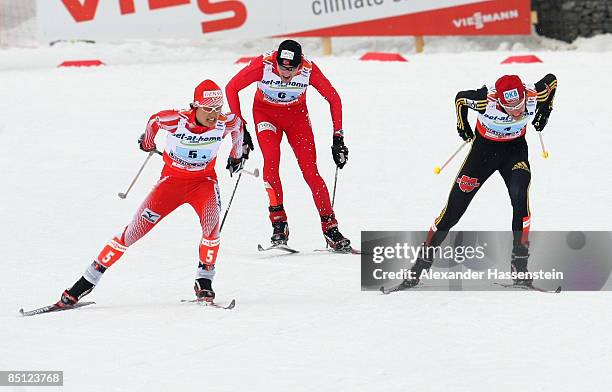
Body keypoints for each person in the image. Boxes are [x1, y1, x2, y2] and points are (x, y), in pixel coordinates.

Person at [55, 79, 250, 307]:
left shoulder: (224, 122)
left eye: (218, 109)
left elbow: (238, 126)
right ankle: (85, 282)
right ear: (195, 106)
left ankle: (204, 281)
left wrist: (237, 154)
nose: (214, 115)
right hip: (171, 185)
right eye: (208, 109)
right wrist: (147, 142)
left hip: (203, 184)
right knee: (131, 234)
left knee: (212, 229)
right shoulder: (175, 120)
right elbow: (154, 121)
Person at [402, 73, 558, 288]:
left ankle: (520, 266)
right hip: (483, 153)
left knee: (520, 198)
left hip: (514, 152)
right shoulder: (485, 99)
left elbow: (552, 80)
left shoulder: (535, 93)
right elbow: (460, 99)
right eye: (510, 108)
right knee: (453, 211)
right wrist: (462, 125)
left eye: (520, 105)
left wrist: (545, 111)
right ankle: (419, 266)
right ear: (500, 101)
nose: (517, 112)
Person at [225, 39, 351, 251]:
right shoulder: (263, 64)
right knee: (271, 162)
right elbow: (231, 88)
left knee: (311, 172)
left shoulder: (309, 69)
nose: (285, 73)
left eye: (291, 69)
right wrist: (241, 128)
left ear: (300, 65)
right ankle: (278, 224)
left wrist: (338, 137)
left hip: (297, 118)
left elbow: (334, 98)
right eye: (282, 67)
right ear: (276, 61)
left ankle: (330, 227)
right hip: (266, 115)